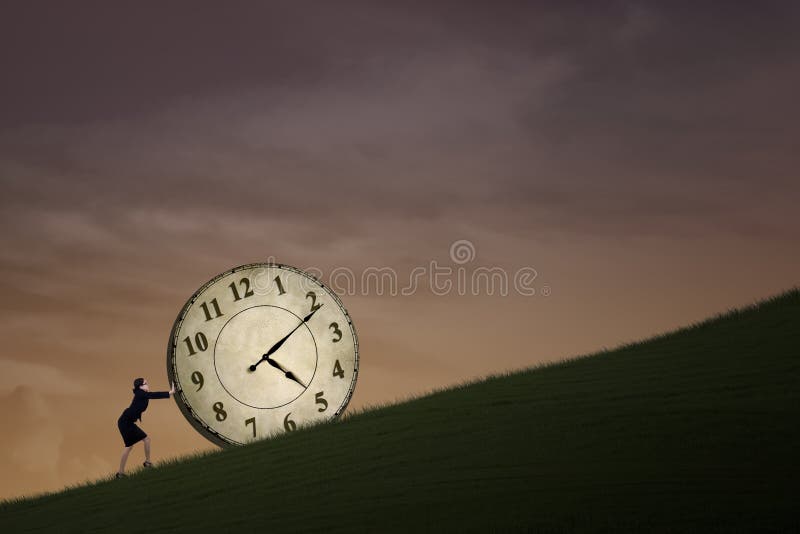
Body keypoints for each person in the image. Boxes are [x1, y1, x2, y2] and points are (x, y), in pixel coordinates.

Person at [116, 377, 175, 478]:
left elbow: (150, 395)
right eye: (145, 383)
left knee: (145, 440)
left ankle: (147, 462)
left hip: (128, 422)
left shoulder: (142, 394)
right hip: (125, 423)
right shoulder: (140, 393)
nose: (148, 384)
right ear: (140, 386)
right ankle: (121, 473)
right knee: (130, 446)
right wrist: (170, 392)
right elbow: (153, 395)